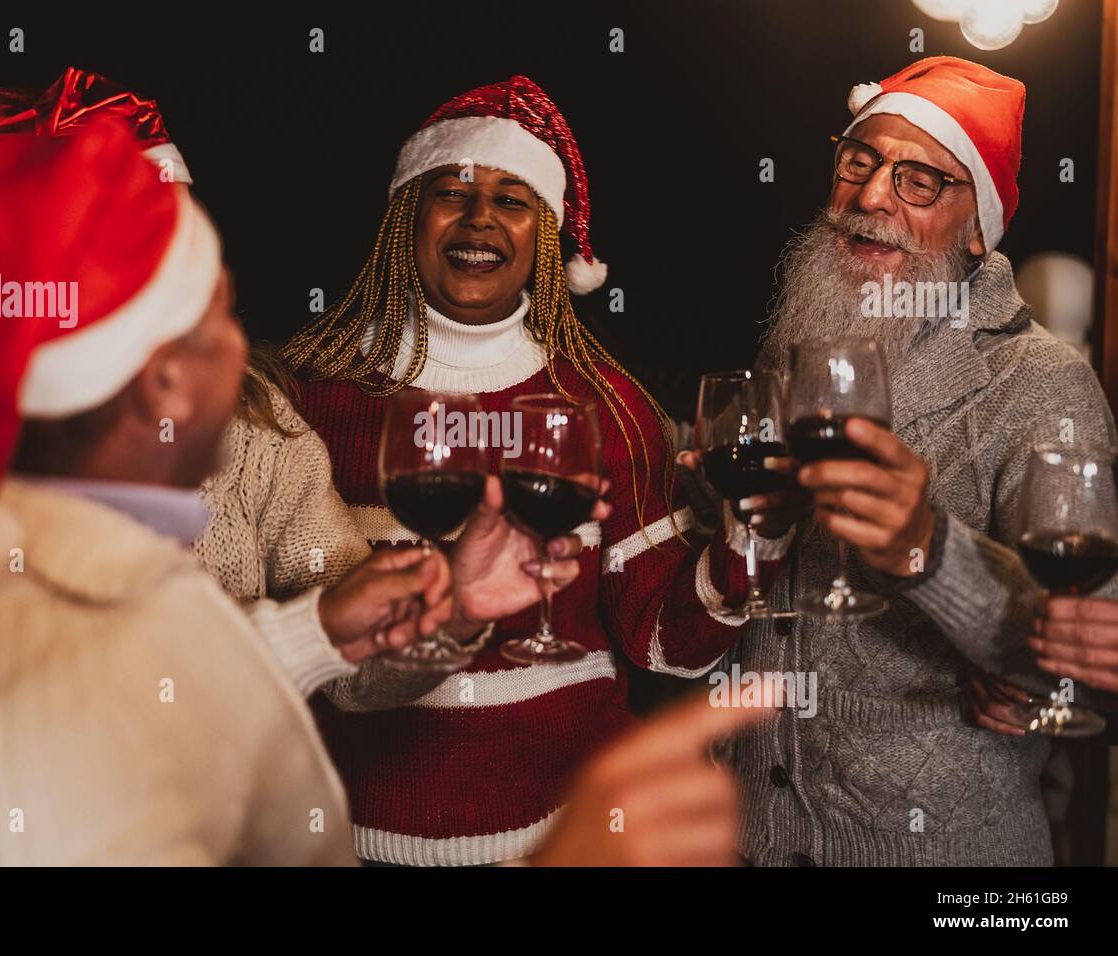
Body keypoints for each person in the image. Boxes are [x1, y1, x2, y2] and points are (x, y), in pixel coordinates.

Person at [0, 116, 768, 867]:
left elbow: (139, 687)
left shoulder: (14, 544)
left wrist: (329, 628)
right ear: (146, 376)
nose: (247, 354)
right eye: (209, 318)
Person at [281, 75, 802, 865]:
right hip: (346, 842)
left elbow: (663, 641)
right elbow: (271, 638)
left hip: (565, 842)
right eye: (451, 190)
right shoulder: (309, 397)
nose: (480, 216)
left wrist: (745, 546)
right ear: (406, 218)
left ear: (547, 237)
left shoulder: (607, 404)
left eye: (514, 199)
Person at [701, 56, 1117, 865]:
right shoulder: (800, 345)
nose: (870, 197)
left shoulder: (1038, 380)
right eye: (859, 162)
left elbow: (1095, 664)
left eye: (919, 180)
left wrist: (930, 550)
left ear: (977, 227)